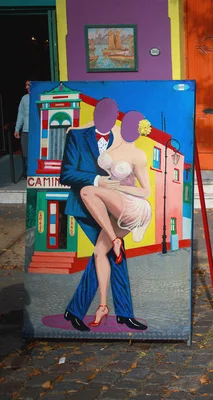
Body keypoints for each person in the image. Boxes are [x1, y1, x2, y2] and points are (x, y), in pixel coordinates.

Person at [60, 98, 147, 332]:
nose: (107, 120)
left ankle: (81, 311)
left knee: (108, 254)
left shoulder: (118, 138)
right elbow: (66, 174)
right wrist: (97, 180)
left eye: (112, 116)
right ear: (96, 115)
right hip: (85, 205)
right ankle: (121, 314)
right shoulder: (77, 137)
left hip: (113, 208)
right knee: (109, 254)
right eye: (102, 115)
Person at [81, 110, 152, 327]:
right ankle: (103, 305)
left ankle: (114, 239)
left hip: (132, 205)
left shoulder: (138, 155)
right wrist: (72, 129)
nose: (128, 130)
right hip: (115, 205)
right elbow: (96, 121)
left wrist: (117, 186)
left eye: (134, 128)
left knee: (87, 191)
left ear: (139, 132)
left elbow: (146, 191)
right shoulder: (116, 134)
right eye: (126, 125)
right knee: (98, 253)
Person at [14, 80, 30, 171]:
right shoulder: (24, 98)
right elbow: (21, 114)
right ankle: (29, 174)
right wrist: (17, 129)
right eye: (26, 85)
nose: (27, 87)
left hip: (37, 131)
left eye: (29, 85)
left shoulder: (40, 96)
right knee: (26, 154)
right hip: (25, 131)